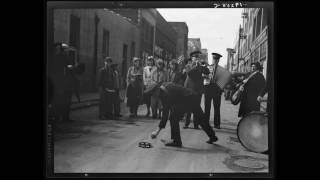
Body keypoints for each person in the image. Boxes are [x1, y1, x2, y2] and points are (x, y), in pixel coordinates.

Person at [153, 82, 218, 147]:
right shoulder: (165, 86)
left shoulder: (165, 95)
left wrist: (157, 132)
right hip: (192, 96)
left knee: (173, 117)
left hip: (188, 99)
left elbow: (165, 114)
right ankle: (212, 136)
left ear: (157, 90)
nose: (154, 96)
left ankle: (176, 141)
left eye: (154, 94)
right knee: (201, 118)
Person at [183, 51, 210, 129]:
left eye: (198, 57)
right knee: (188, 107)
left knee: (196, 107)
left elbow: (207, 72)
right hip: (189, 89)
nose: (197, 59)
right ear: (192, 58)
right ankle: (186, 123)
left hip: (198, 90)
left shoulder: (200, 66)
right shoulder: (188, 66)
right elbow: (190, 73)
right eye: (195, 57)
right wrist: (197, 67)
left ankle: (196, 124)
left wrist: (205, 65)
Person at [204, 53, 223, 129]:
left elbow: (223, 80)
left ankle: (217, 124)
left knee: (217, 107)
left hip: (217, 90)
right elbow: (203, 77)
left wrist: (221, 88)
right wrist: (205, 76)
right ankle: (205, 123)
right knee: (207, 107)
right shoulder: (208, 67)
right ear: (212, 59)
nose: (215, 61)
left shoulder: (221, 70)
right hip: (208, 88)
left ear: (218, 60)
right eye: (214, 59)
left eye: (216, 59)